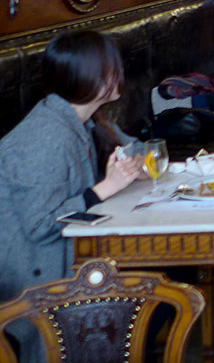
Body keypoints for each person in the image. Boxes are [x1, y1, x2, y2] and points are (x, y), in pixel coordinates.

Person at [0, 32, 144, 362]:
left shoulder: (84, 119)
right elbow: (39, 225)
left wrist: (140, 162)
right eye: (111, 67)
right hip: (34, 275)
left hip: (72, 254)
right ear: (86, 75)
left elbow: (130, 146)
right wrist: (104, 189)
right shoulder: (46, 136)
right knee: (151, 299)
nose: (119, 72)